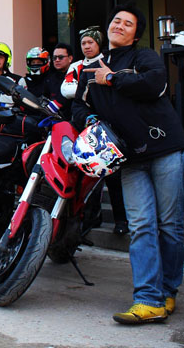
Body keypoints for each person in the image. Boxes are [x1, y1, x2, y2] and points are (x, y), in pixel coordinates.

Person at [72, 5, 184, 324]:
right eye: (116, 21)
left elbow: (154, 84)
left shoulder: (144, 57)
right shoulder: (88, 69)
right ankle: (148, 299)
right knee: (141, 227)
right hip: (129, 159)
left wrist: (111, 78)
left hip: (166, 148)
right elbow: (78, 109)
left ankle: (168, 292)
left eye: (128, 24)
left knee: (169, 226)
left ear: (136, 34)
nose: (120, 26)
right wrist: (92, 119)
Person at [62, 26, 128, 236]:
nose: (87, 46)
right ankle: (88, 219)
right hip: (86, 128)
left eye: (91, 42)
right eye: (83, 43)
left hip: (110, 128)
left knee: (113, 178)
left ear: (99, 43)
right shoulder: (77, 66)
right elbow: (69, 92)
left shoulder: (109, 62)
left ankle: (121, 221)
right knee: (87, 177)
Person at [42, 43, 74, 118]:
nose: (57, 60)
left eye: (60, 57)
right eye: (54, 57)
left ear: (70, 58)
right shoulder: (49, 79)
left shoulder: (77, 76)